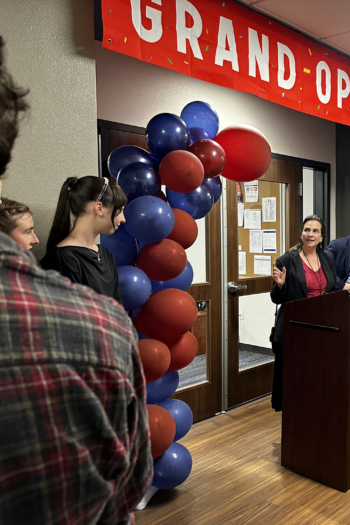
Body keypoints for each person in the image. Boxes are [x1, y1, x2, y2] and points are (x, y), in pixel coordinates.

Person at [0, 36, 152, 524]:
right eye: (119, 212)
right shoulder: (64, 267)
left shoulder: (104, 307)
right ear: (98, 208)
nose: (125, 221)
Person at [270, 215, 339, 412]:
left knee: (317, 380)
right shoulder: (286, 260)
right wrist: (280, 285)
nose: (310, 234)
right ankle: (295, 422)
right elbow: (276, 298)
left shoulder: (327, 258)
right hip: (295, 329)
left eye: (315, 231)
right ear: (301, 234)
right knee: (295, 382)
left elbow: (331, 289)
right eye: (307, 230)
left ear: (321, 237)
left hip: (322, 329)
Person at [41, 176, 127, 304]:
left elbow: (117, 307)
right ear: (99, 208)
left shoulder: (106, 255)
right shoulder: (62, 259)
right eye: (119, 210)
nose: (123, 218)